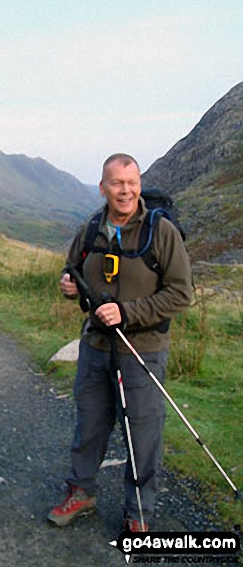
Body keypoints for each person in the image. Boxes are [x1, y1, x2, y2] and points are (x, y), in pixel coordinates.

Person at [48, 153, 192, 532]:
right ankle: (81, 492)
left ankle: (138, 513)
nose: (125, 190)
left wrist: (127, 313)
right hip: (95, 347)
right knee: (90, 425)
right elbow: (72, 269)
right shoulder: (92, 227)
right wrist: (68, 284)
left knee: (142, 434)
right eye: (116, 183)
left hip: (142, 351)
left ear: (139, 185)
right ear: (103, 188)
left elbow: (180, 294)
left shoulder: (162, 232)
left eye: (131, 182)